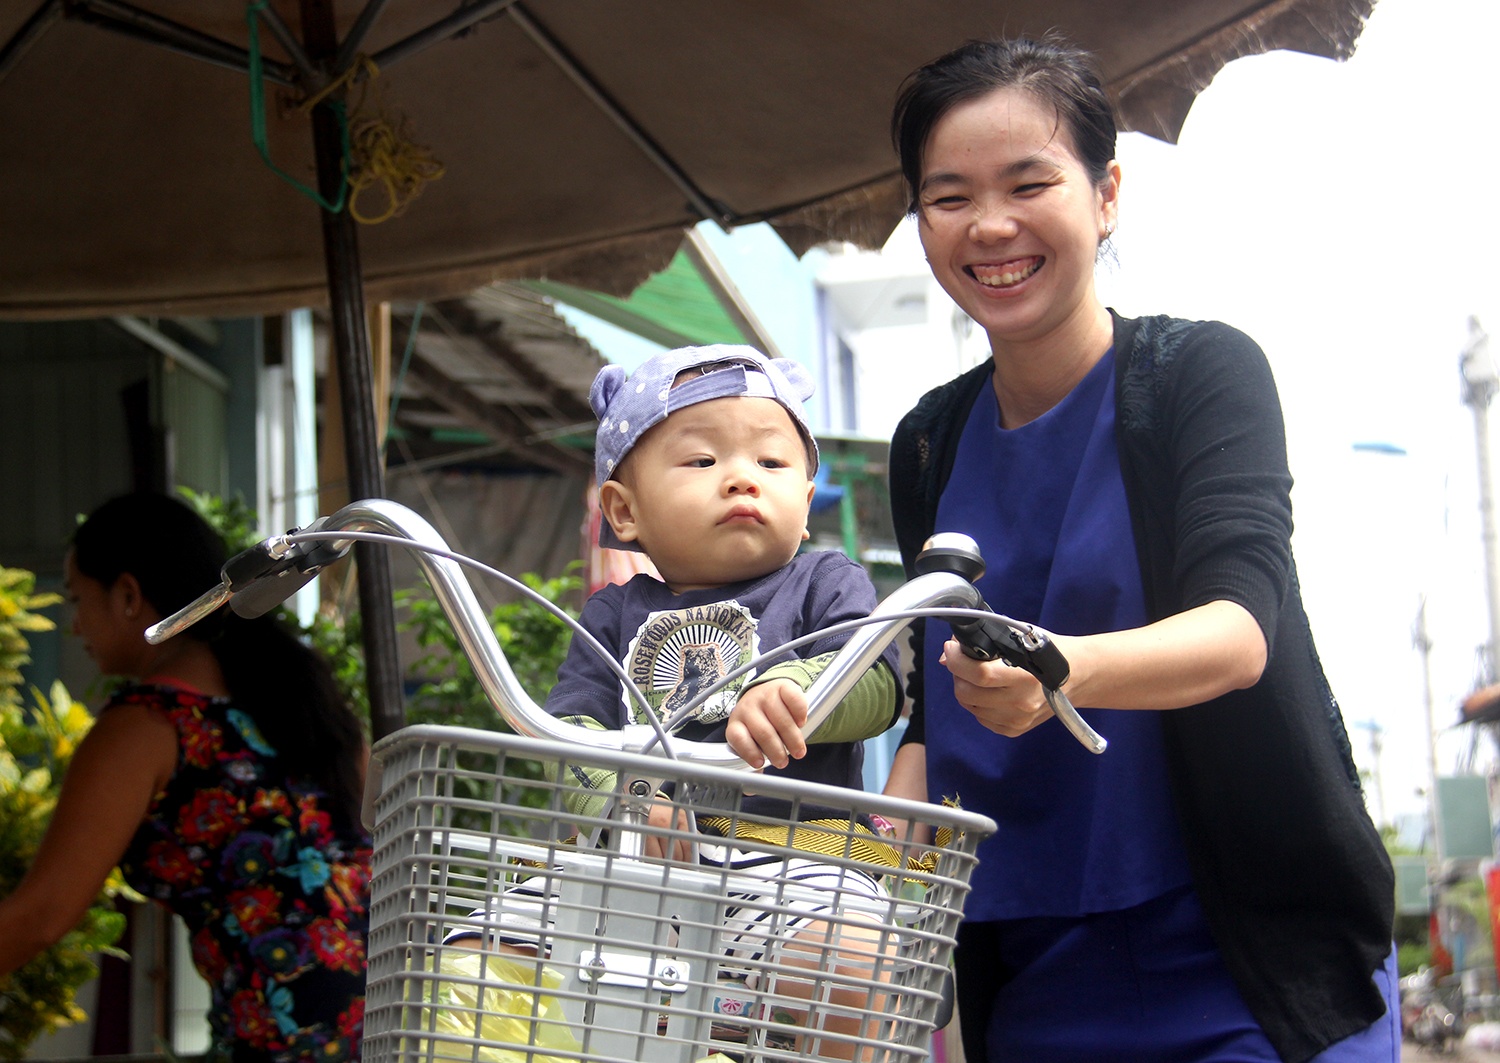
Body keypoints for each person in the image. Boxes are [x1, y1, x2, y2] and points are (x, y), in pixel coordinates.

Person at [880, 35, 1397, 1063]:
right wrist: (883, 806)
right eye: (949, 197)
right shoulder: (926, 443)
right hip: (1036, 971)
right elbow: (934, 693)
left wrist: (1060, 670)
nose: (991, 225)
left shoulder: (1200, 372)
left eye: (1030, 182)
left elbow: (1240, 629)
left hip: (1251, 957)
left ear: (1105, 193)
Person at [451, 344, 905, 1060]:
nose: (741, 480)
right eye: (702, 462)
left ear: (807, 503)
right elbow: (569, 726)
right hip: (630, 863)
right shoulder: (611, 613)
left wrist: (799, 687)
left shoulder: (824, 581)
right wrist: (621, 794)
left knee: (852, 961)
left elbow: (881, 683)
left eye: (772, 463)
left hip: (789, 859)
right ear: (624, 511)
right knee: (468, 957)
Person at [0, 492, 372, 1063]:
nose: (74, 626)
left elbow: (42, 916)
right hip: (390, 1013)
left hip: (290, 1038)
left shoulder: (146, 724)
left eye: (78, 600)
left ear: (127, 595)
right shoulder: (298, 694)